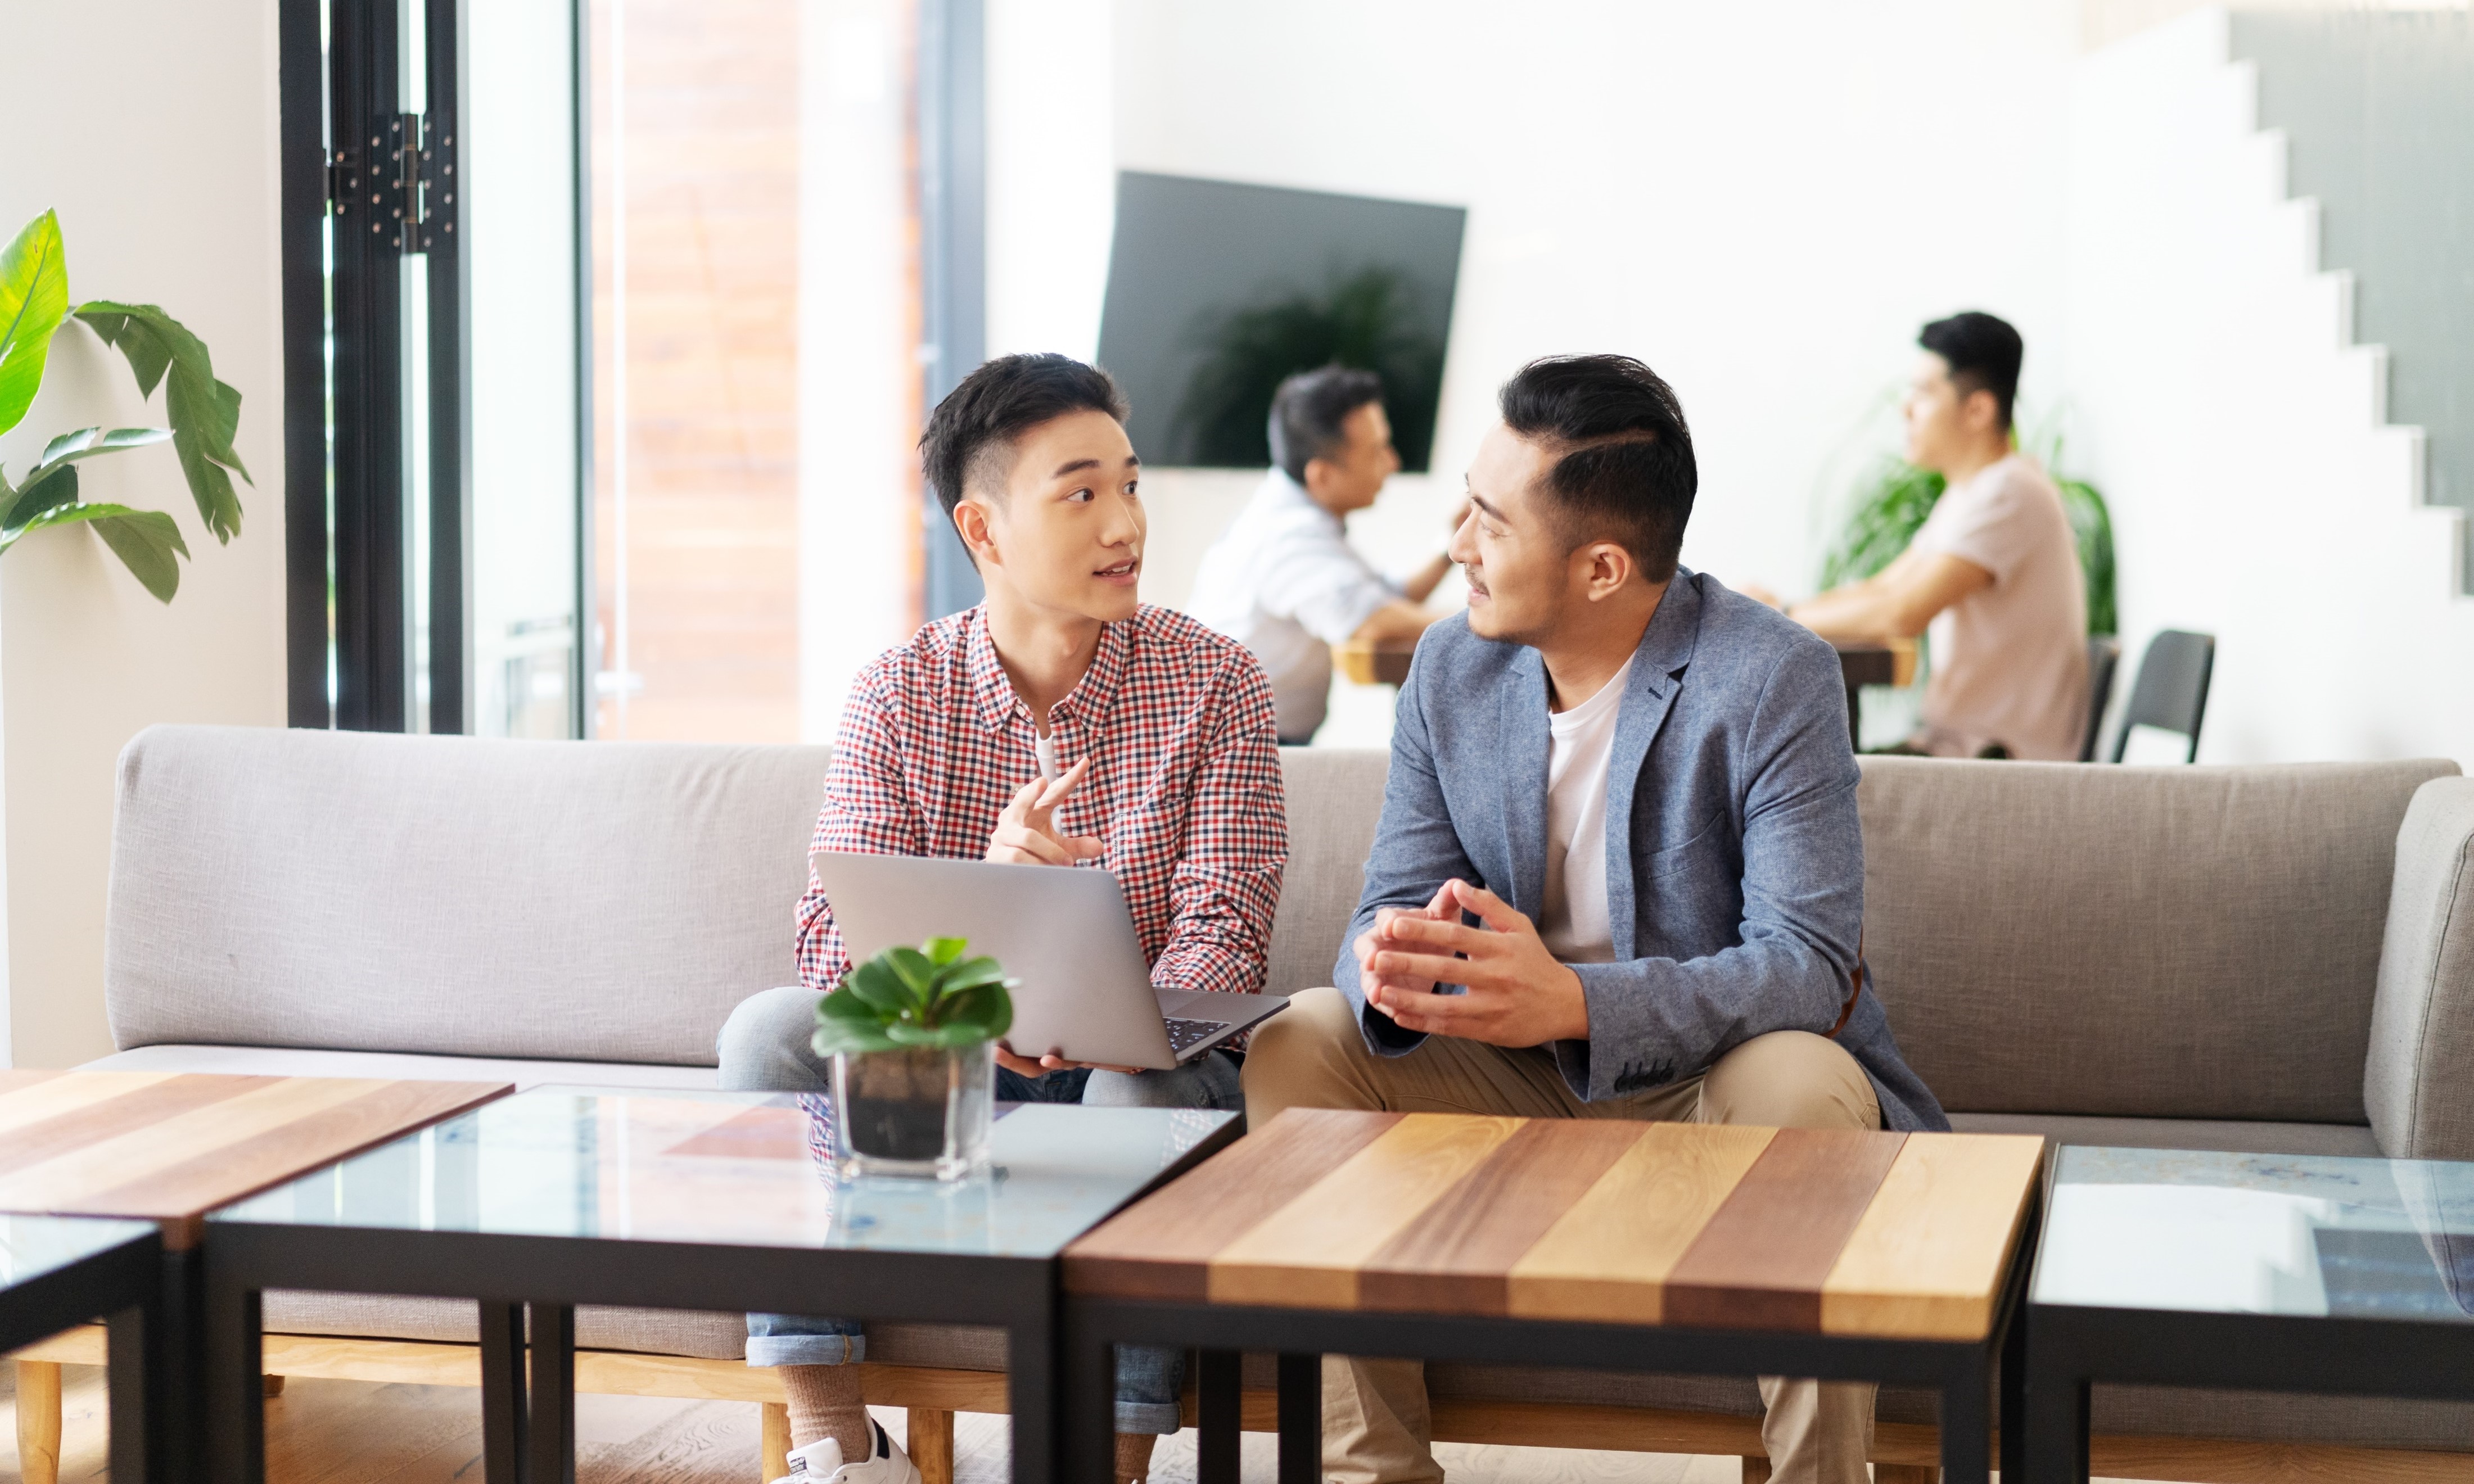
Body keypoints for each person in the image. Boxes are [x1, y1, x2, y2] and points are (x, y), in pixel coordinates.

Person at [1241, 354, 1946, 1484]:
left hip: (1703, 1072)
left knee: (1806, 1084)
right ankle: (1374, 1469)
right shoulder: (1448, 670)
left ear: (1604, 566)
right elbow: (1385, 896)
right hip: (1505, 1066)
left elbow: (1807, 965)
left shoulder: (1772, 678)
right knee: (1302, 1039)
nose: (1458, 543)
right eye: (1463, 503)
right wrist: (1395, 957)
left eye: (1488, 519)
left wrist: (1573, 1001)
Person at [716, 354, 1287, 1484]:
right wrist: (978, 949)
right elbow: (832, 948)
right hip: (943, 1067)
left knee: (1143, 1089)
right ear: (983, 529)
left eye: (1129, 485)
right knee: (767, 1034)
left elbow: (1226, 934)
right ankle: (836, 1439)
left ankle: (1103, 1461)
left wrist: (1093, 1010)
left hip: (1134, 1063)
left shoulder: (1217, 681)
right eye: (1081, 493)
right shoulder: (898, 690)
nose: (1124, 522)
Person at [1770, 311, 2087, 759]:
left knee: (1799, 787)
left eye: (1923, 392)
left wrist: (1777, 615)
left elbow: (1901, 614)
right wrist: (1780, 610)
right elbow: (1884, 588)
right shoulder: (1970, 494)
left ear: (1977, 409)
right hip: (1962, 751)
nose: (1906, 408)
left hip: (1996, 765)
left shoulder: (2010, 493)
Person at [1185, 365, 1459, 743]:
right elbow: (1375, 622)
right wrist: (1490, 619)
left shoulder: (1297, 514)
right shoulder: (1289, 538)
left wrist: (1450, 548)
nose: (1393, 463)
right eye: (1378, 451)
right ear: (1323, 476)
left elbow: (1385, 598)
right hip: (1231, 749)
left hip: (1255, 738)